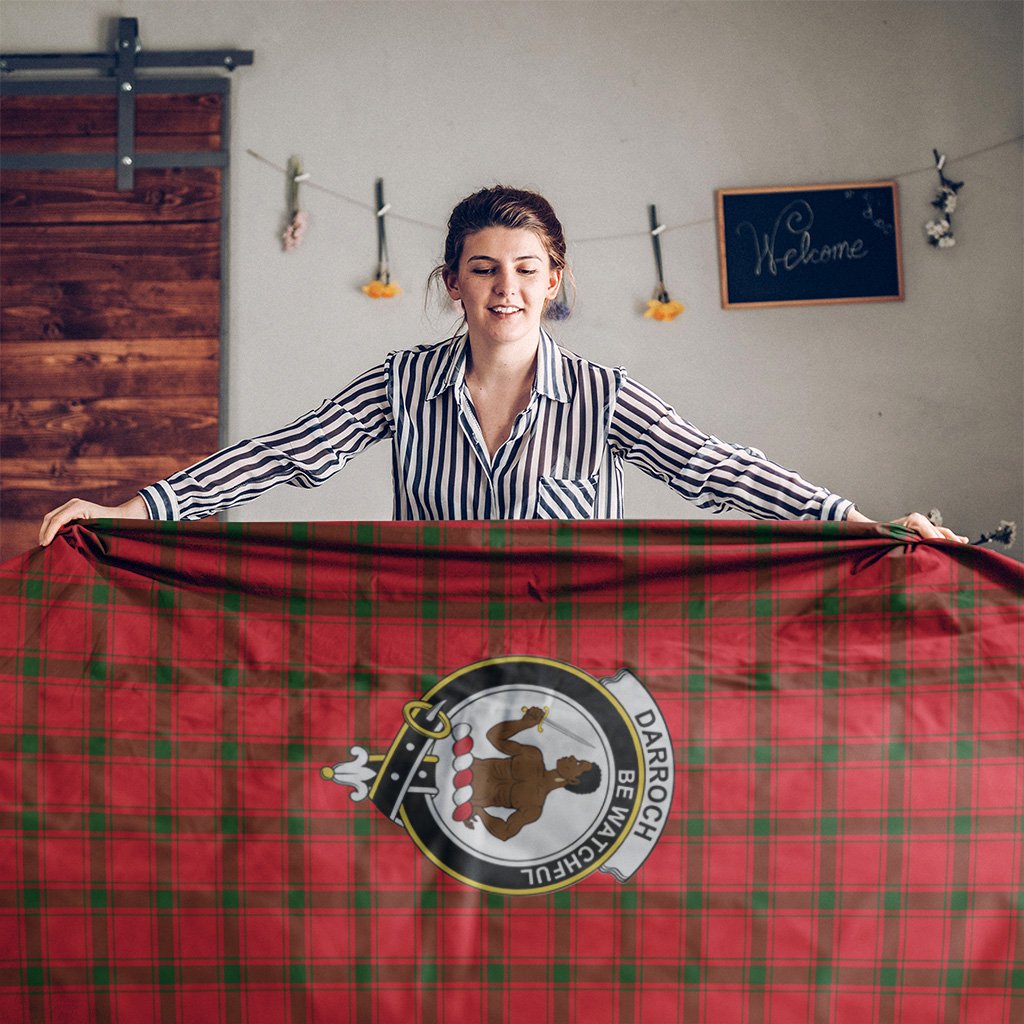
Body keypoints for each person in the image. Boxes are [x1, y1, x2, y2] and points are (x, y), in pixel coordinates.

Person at [38, 185, 968, 545]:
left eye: (527, 270)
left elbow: (718, 468)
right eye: (484, 269)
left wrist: (861, 523)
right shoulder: (400, 383)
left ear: (555, 281)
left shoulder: (604, 398)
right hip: (431, 661)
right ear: (453, 283)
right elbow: (282, 456)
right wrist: (133, 511)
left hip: (578, 668)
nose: (506, 289)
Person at [462, 706, 601, 842]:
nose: (572, 757)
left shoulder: (534, 808)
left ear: (573, 781)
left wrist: (479, 811)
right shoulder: (533, 756)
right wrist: (525, 723)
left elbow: (505, 832)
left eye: (578, 763)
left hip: (460, 794)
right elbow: (493, 737)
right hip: (461, 764)